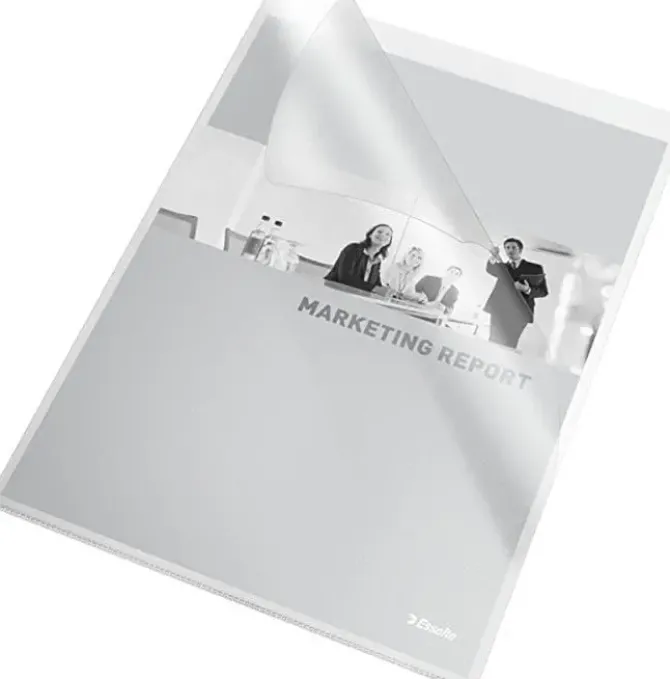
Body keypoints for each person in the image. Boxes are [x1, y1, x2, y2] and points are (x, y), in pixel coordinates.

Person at [484, 238, 548, 349]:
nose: (510, 250)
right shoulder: (502, 267)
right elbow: (490, 268)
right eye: (507, 248)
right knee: (493, 340)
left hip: (520, 313)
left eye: (514, 247)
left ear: (520, 250)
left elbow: (543, 291)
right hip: (499, 310)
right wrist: (494, 255)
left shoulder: (535, 268)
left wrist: (527, 290)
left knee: (509, 343)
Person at [325, 224, 393, 292]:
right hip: (334, 291)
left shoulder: (377, 259)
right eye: (379, 232)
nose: (383, 235)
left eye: (387, 234)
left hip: (356, 295)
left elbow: (375, 283)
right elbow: (344, 278)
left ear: (389, 242)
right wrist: (374, 289)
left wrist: (388, 292)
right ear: (370, 235)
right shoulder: (353, 249)